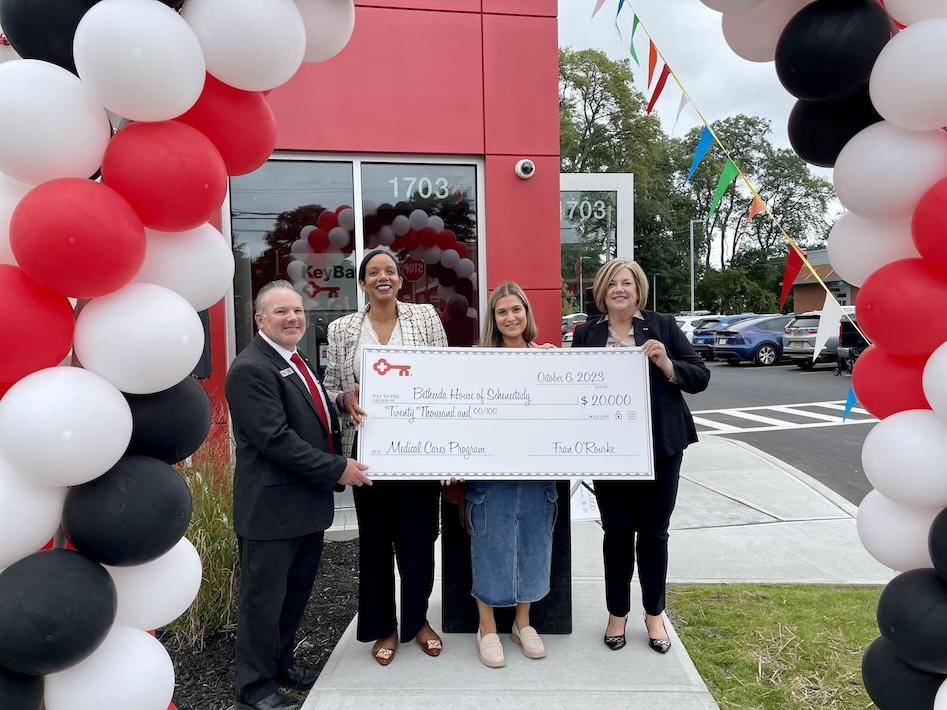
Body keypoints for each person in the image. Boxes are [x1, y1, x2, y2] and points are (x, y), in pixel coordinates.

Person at [226, 281, 372, 710]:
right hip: (270, 513)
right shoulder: (251, 368)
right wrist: (338, 468)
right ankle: (253, 689)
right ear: (259, 320)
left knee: (292, 596)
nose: (292, 318)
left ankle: (280, 666)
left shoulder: (293, 358)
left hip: (303, 508)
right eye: (280, 312)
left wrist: (343, 399)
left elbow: (314, 407)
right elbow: (276, 440)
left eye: (296, 310)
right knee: (262, 604)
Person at [571, 258, 709, 655]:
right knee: (615, 534)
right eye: (612, 283)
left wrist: (666, 362)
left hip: (660, 450)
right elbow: (572, 386)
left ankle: (653, 614)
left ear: (638, 290)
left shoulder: (662, 326)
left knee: (653, 533)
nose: (619, 289)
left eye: (627, 283)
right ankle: (617, 613)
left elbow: (699, 377)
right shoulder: (586, 333)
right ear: (601, 290)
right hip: (610, 452)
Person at [324, 249, 449, 666]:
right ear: (362, 283)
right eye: (373, 272)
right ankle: (385, 627)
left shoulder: (425, 318)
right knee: (376, 542)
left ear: (400, 280)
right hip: (371, 450)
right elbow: (327, 387)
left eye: (390, 271)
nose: (383, 277)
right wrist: (345, 396)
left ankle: (418, 621)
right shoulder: (343, 328)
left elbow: (448, 373)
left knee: (419, 540)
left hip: (420, 449)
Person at [465, 282, 557, 668]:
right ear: (493, 318)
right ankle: (486, 628)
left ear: (527, 313)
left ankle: (523, 623)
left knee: (534, 548)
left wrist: (563, 368)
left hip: (537, 475)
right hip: (490, 475)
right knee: (490, 548)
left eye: (516, 309)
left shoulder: (548, 359)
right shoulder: (476, 361)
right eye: (502, 311)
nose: (510, 317)